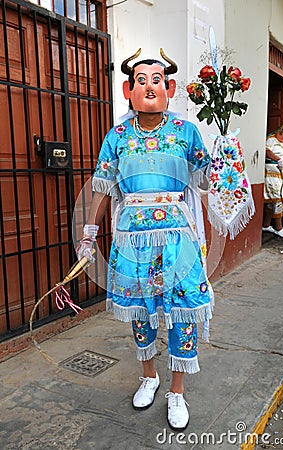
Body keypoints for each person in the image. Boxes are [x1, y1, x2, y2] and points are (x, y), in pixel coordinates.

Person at [76, 49, 213, 430]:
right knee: (142, 310)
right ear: (127, 89)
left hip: (177, 238)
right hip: (132, 238)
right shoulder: (117, 136)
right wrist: (89, 236)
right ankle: (149, 376)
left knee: (183, 311)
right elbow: (102, 188)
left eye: (157, 80)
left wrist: (222, 156)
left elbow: (204, 180)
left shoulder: (186, 132)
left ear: (169, 88)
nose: (150, 87)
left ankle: (177, 392)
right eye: (141, 80)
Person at [262, 122, 283, 238]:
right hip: (272, 175)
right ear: (281, 132)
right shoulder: (271, 139)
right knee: (277, 200)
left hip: (280, 175)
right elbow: (267, 151)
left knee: (272, 202)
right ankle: (279, 228)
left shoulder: (282, 144)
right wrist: (278, 159)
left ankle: (266, 225)